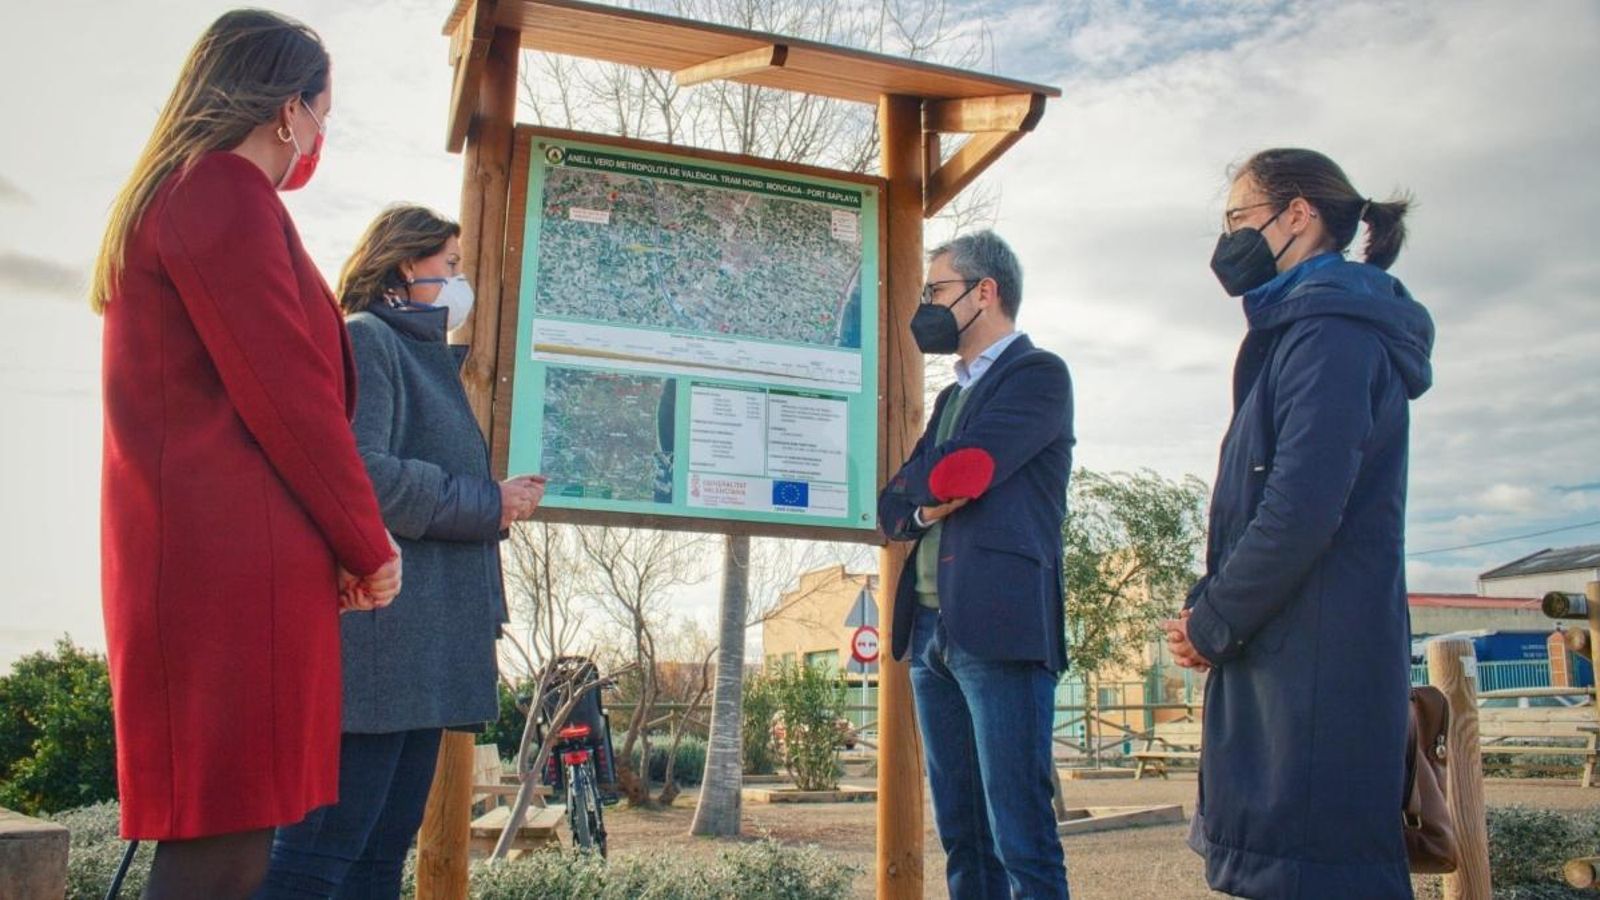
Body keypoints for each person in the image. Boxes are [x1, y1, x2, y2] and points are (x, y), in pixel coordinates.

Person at [90, 10, 402, 898]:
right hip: (230, 569)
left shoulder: (180, 194)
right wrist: (366, 544)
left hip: (204, 557)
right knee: (220, 852)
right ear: (285, 109)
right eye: (322, 112)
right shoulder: (223, 193)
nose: (320, 136)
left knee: (221, 838)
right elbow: (290, 400)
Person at [1162, 148, 1433, 899]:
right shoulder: (1299, 330)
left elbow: (1302, 507)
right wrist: (1204, 604)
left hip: (1316, 668)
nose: (1228, 241)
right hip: (1285, 654)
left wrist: (1213, 620)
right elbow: (1256, 506)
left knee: (1316, 874)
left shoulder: (1333, 334)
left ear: (1299, 215)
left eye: (1239, 219)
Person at [257, 205, 545, 897]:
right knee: (319, 854)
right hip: (378, 650)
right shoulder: (366, 340)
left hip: (419, 652)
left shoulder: (419, 357)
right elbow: (362, 474)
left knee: (378, 855)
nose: (459, 280)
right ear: (405, 264)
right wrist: (489, 502)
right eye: (450, 266)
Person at [878, 230, 1074, 899]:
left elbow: (969, 470)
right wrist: (930, 502)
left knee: (1020, 836)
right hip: (933, 630)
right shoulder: (951, 397)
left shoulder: (1039, 376)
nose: (926, 305)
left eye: (937, 291)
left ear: (984, 292)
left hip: (999, 629)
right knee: (965, 838)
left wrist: (925, 492)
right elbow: (892, 508)